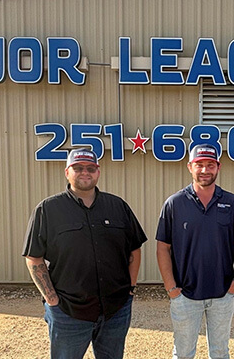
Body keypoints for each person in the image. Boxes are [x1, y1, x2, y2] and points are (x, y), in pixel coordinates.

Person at [22, 148, 147, 359]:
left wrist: (130, 290)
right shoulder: (48, 209)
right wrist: (52, 300)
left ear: (98, 172)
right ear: (67, 172)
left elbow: (134, 248)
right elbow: (34, 257)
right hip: (69, 312)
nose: (85, 173)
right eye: (78, 168)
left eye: (90, 168)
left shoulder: (117, 206)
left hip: (115, 310)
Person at [156, 143, 234, 359]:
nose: (205, 170)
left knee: (220, 351)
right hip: (185, 294)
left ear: (218, 167)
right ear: (190, 167)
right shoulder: (174, 203)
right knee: (184, 352)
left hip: (223, 293)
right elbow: (162, 247)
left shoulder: (232, 203)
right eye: (199, 165)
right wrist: (171, 288)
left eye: (210, 165)